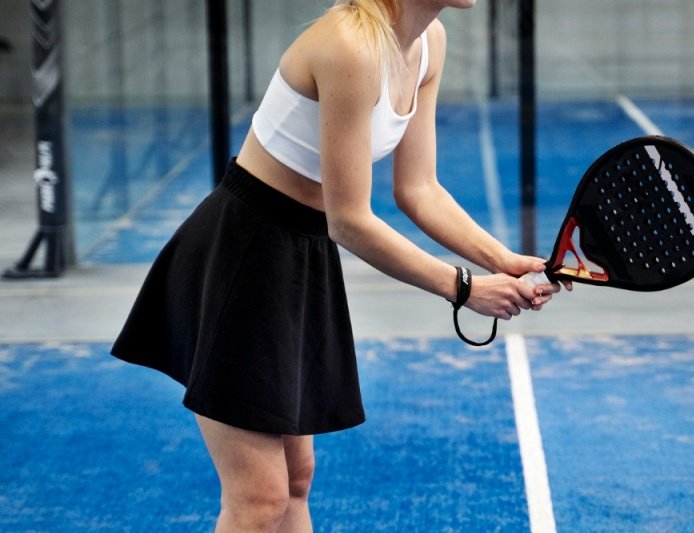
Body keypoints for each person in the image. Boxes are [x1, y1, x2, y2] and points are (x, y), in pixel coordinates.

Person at [111, 0, 570, 531]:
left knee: (296, 479)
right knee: (258, 499)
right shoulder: (351, 47)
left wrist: (503, 261)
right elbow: (349, 221)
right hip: (241, 255)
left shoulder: (429, 43)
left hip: (301, 256)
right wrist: (464, 288)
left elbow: (419, 189)